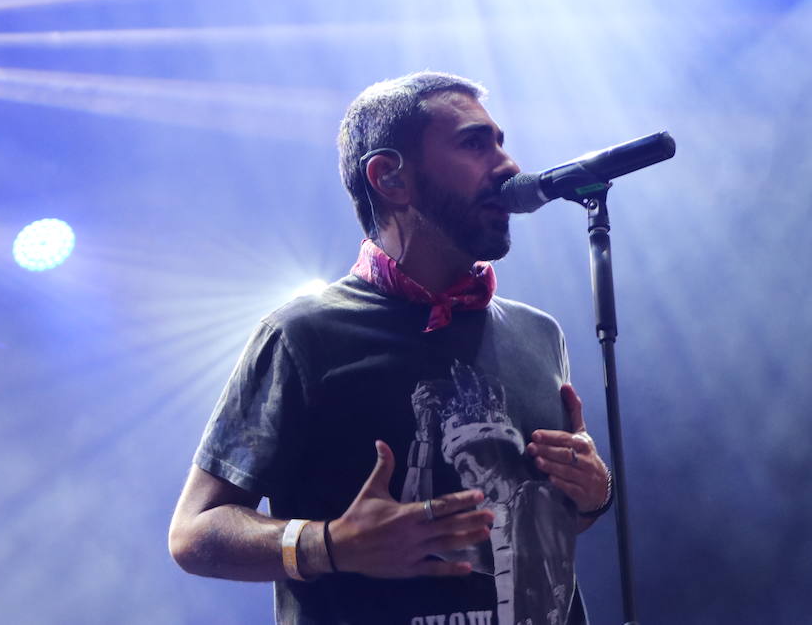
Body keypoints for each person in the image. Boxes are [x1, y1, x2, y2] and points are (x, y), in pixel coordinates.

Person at [169, 72, 612, 625]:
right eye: (475, 143)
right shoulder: (302, 335)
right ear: (389, 177)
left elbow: (539, 529)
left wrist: (591, 494)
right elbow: (193, 532)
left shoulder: (538, 333)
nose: (508, 165)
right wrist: (328, 545)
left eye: (500, 141)